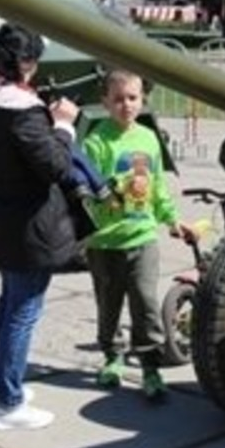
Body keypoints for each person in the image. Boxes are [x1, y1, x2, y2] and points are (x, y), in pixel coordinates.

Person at [0, 24, 81, 432]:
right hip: (30, 222)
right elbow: (56, 167)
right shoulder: (24, 111)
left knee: (9, 301)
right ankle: (7, 403)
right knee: (24, 311)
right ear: (24, 63)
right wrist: (63, 125)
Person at [81, 69, 190, 400]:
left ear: (143, 100)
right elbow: (85, 191)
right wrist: (111, 189)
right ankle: (112, 357)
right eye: (118, 99)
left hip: (142, 238)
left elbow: (157, 187)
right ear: (104, 102)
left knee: (146, 303)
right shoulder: (96, 142)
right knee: (108, 304)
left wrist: (172, 220)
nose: (126, 105)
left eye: (132, 97)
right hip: (105, 241)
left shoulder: (148, 138)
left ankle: (150, 367)